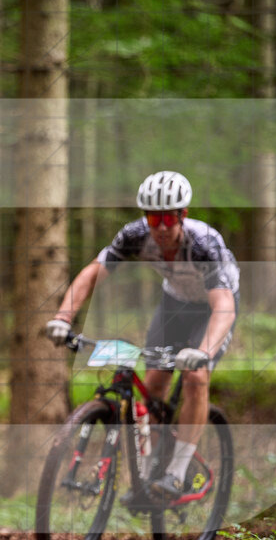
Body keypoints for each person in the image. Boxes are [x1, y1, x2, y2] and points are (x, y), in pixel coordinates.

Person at [45, 171, 238, 502]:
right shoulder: (135, 235)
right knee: (152, 388)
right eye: (153, 217)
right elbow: (93, 272)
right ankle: (149, 475)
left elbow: (224, 305)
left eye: (167, 218)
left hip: (213, 306)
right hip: (174, 303)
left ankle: (177, 473)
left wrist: (203, 351)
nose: (160, 227)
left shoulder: (204, 244)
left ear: (182, 215)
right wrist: (63, 318)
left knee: (194, 376)